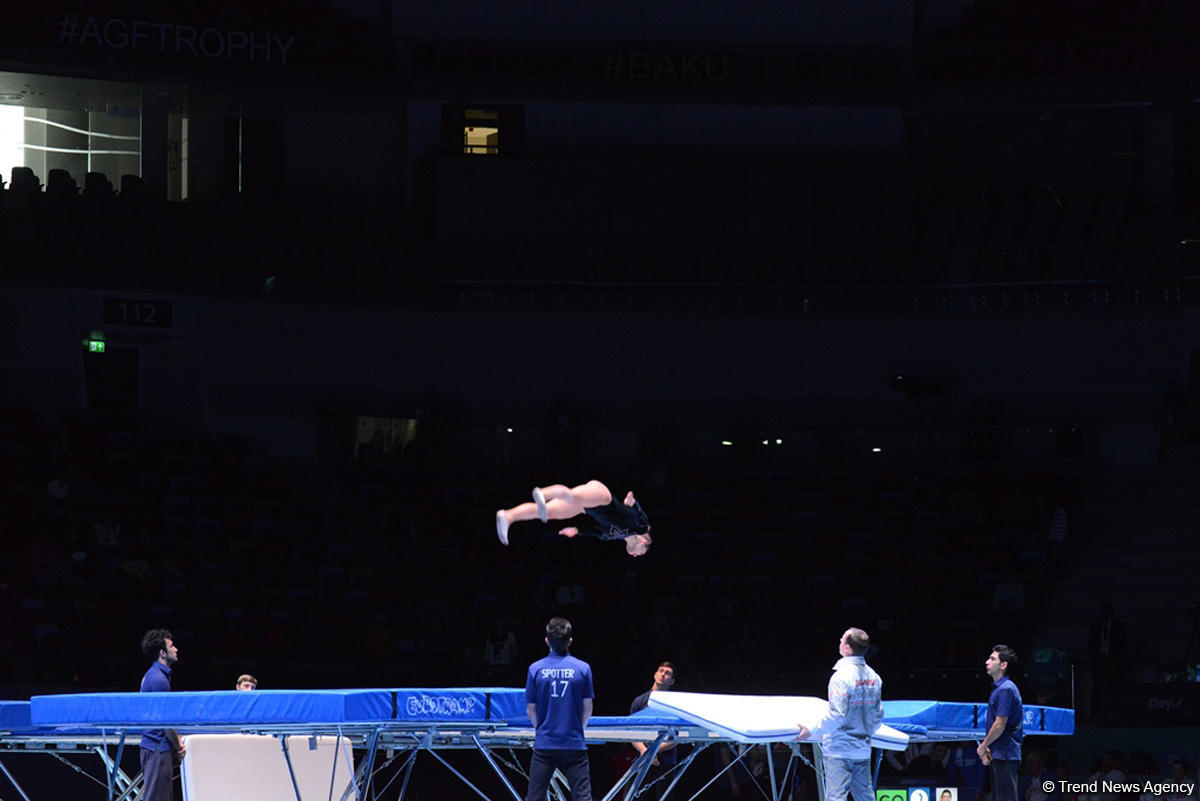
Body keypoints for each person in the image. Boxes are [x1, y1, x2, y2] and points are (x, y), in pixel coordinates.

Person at [797, 628, 884, 801]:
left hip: (839, 751)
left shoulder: (841, 677)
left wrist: (811, 730)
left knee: (836, 798)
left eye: (842, 639)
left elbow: (837, 715)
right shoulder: (875, 677)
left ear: (847, 648)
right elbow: (877, 716)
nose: (839, 640)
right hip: (862, 750)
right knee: (866, 798)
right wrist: (864, 735)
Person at [524, 617, 595, 801]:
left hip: (545, 743)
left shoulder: (535, 669)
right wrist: (577, 730)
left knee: (535, 797)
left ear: (547, 641)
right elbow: (587, 709)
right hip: (574, 742)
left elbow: (531, 710)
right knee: (583, 797)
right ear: (570, 641)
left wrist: (542, 730)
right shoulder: (583, 669)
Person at [496, 481, 651, 558]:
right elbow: (641, 517)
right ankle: (543, 494)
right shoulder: (639, 528)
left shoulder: (611, 536)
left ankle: (508, 516)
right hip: (602, 497)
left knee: (547, 514)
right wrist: (633, 503)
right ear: (644, 542)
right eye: (641, 553)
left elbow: (593, 531)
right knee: (571, 495)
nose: (636, 555)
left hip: (585, 508)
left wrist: (576, 530)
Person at [139, 629, 185, 801]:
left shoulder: (155, 675)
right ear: (162, 653)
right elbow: (165, 721)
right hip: (156, 748)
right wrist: (179, 745)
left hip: (155, 748)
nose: (176, 649)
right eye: (171, 646)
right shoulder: (158, 679)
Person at [977, 645, 1023, 801]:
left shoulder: (1006, 689)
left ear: (1003, 665)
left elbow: (999, 725)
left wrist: (983, 746)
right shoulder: (998, 689)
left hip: (1006, 755)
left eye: (992, 659)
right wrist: (989, 747)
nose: (987, 662)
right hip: (999, 754)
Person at [630, 662, 679, 799]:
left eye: (667, 673)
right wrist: (644, 751)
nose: (663, 674)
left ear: (672, 681)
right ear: (655, 675)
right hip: (643, 758)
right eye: (661, 671)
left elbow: (678, 737)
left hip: (667, 760)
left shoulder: (676, 705)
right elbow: (631, 732)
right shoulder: (639, 701)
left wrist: (654, 751)